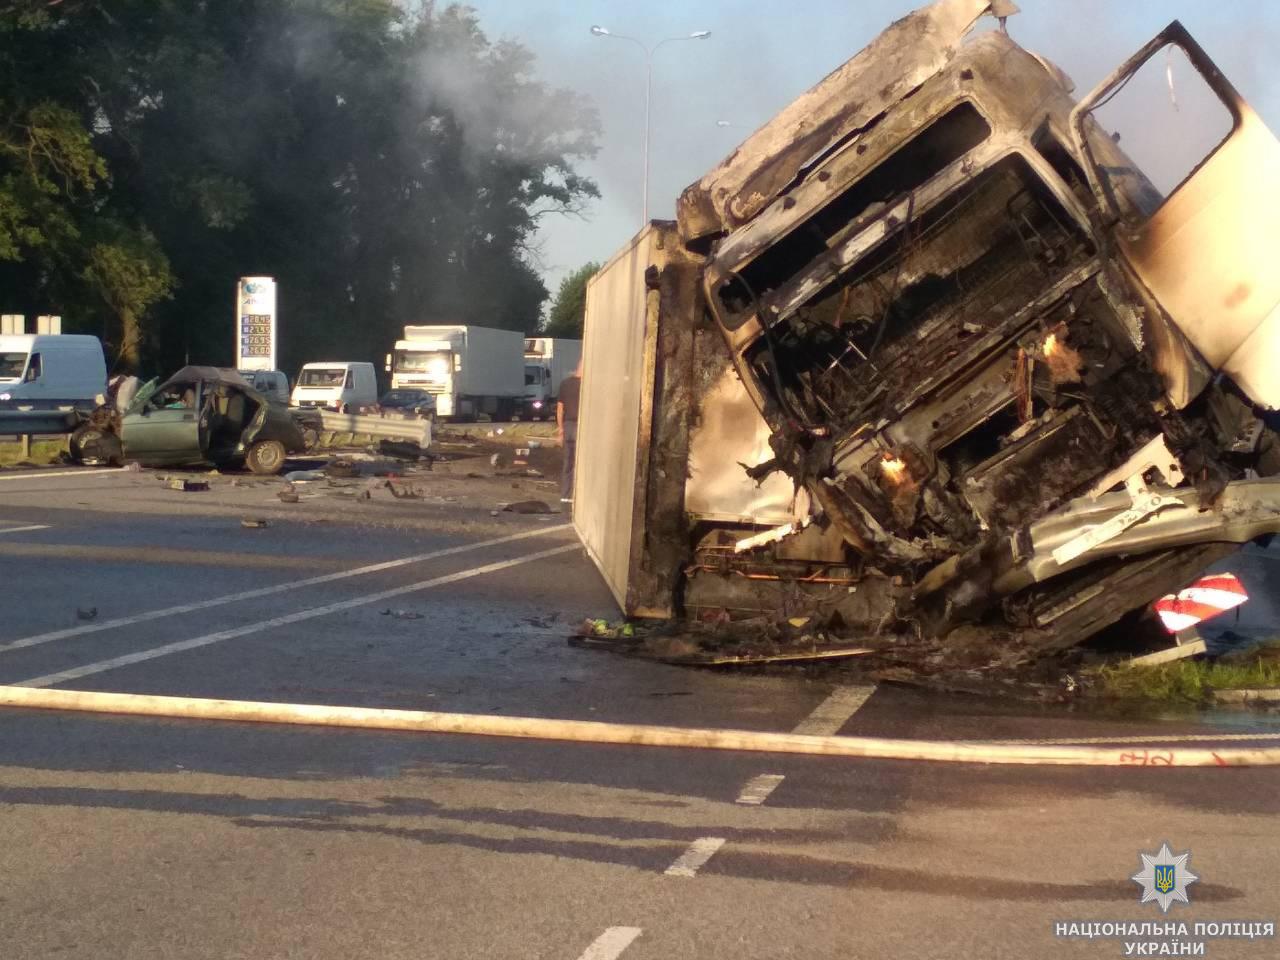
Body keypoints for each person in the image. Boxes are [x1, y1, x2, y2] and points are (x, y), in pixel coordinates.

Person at [556, 362, 582, 505]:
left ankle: (565, 496)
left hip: (567, 426)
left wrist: (560, 430)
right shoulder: (586, 386)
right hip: (580, 426)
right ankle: (579, 494)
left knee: (568, 461)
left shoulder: (565, 384)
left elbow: (559, 409)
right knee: (581, 462)